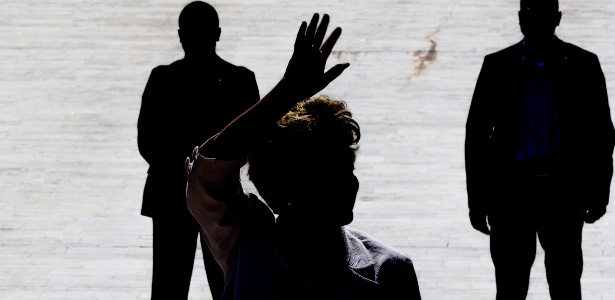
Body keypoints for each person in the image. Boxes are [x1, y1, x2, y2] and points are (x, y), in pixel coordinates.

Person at [184, 13, 422, 300]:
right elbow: (211, 166)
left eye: (347, 170)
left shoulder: (390, 270)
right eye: (328, 176)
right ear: (286, 190)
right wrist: (288, 91)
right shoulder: (246, 245)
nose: (350, 185)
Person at [465, 0, 615, 299]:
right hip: (511, 195)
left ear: (557, 18)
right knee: (510, 287)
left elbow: (602, 134)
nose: (534, 22)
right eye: (530, 15)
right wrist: (477, 201)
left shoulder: (584, 63)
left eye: (542, 15)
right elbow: (477, 136)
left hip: (562, 193)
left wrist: (599, 193)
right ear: (520, 18)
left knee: (566, 284)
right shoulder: (497, 65)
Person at [137, 1, 260, 299]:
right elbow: (253, 140)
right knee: (228, 285)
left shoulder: (163, 78)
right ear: (217, 33)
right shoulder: (240, 80)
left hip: (169, 193)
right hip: (221, 195)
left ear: (181, 35)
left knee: (168, 285)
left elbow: (148, 142)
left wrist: (184, 167)